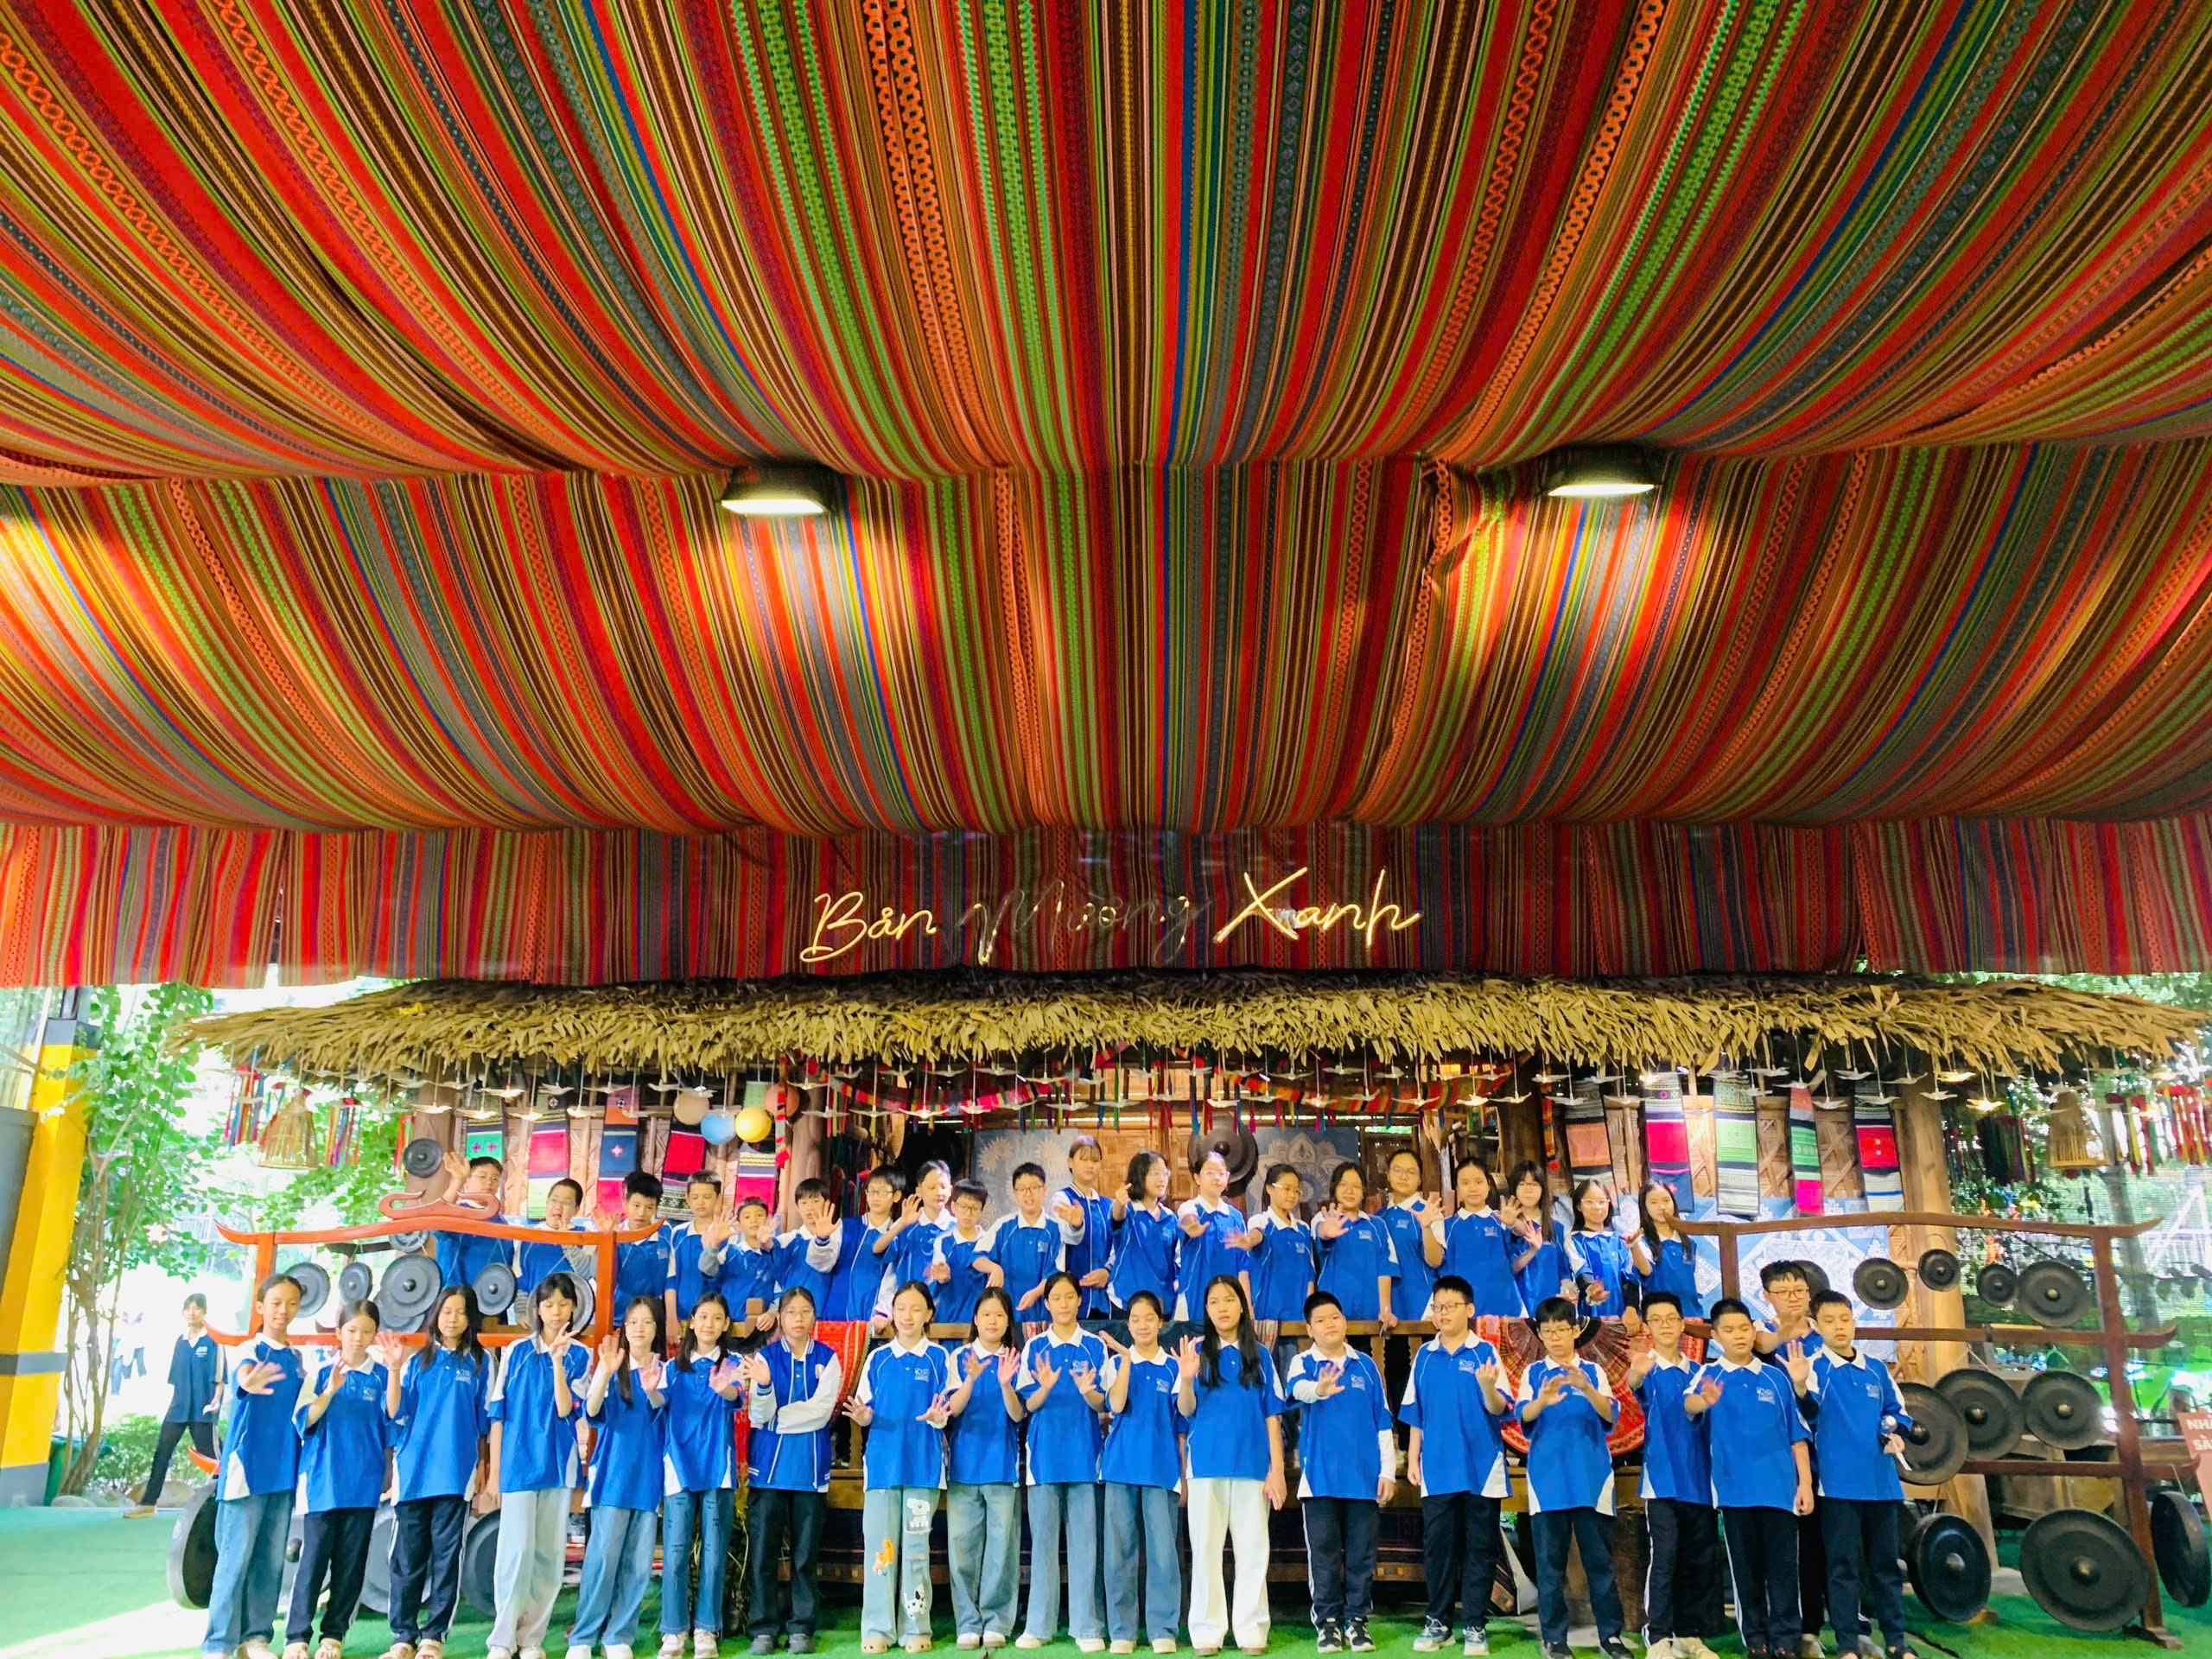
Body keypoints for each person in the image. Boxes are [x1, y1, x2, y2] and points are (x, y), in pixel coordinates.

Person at [1685, 1298, 1815, 1659]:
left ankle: (1787, 1641)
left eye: (1744, 1328)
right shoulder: (1708, 1374)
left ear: (1753, 1331)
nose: (1738, 1336)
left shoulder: (1776, 1378)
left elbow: (1797, 1436)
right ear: (1715, 1336)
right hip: (1733, 1493)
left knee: (1785, 1572)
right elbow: (1688, 1406)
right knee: (1747, 1573)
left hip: (1780, 1492)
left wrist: (1804, 1484)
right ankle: (1756, 1641)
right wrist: (1704, 1401)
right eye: (1729, 1330)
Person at [1797, 1290, 1920, 1659]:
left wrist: (1896, 1432)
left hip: (1883, 1486)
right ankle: (1847, 1644)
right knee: (1843, 1568)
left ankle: (1897, 1642)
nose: (1840, 1327)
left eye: (1846, 1319)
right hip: (1837, 1488)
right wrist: (1800, 1385)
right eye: (1830, 1320)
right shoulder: (1815, 1367)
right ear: (1814, 1326)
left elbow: (1899, 1412)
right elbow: (1808, 1411)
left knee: (1886, 1568)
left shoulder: (1877, 1369)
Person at [1400, 1274, 1511, 1656]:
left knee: (1480, 1548)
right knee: (1438, 1549)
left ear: (1470, 1309)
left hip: (1482, 1468)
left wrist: (1487, 1388)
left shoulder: (1487, 1354)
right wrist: (1413, 1457)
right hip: (1437, 1467)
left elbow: (1501, 1410)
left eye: (1451, 1306)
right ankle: (1439, 1622)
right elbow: (1415, 1413)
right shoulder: (1424, 1358)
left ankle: (1476, 1625)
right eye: (1438, 1306)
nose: (1443, 1313)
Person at [1174, 1275, 1287, 1657]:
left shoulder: (1262, 1356)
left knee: (1253, 1551)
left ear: (1242, 1305)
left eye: (1229, 1300)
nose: (1222, 1307)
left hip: (1253, 1465)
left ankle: (1252, 1630)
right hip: (1205, 1465)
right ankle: (1206, 1630)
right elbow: (1186, 1411)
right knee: (1204, 1550)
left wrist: (1277, 1470)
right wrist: (1187, 1379)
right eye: (1213, 1302)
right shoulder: (1195, 1353)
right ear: (1205, 1311)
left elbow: (1273, 1416)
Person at [381, 1284, 493, 1659]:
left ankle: (434, 1637)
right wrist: (394, 1369)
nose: (453, 1318)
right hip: (413, 1472)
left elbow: (484, 1423)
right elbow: (395, 1412)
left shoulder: (480, 1363)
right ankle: (402, 1636)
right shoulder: (416, 1361)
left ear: (471, 1318)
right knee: (408, 1560)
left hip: (455, 1472)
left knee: (447, 1558)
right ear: (435, 1314)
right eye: (447, 1310)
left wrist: (482, 1465)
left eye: (461, 1311)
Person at [200, 1271, 307, 1659]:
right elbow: (244, 1380)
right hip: (246, 1472)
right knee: (234, 1560)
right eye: (276, 1303)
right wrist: (248, 1383)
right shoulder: (248, 1350)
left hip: (284, 1471)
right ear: (260, 1307)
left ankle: (256, 1638)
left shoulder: (296, 1359)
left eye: (292, 1303)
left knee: (269, 1561)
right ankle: (219, 1645)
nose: (284, 1311)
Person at [1517, 1298, 1631, 1659]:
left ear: (1575, 1330)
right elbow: (1524, 1417)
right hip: (1546, 1483)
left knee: (1601, 1565)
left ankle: (1610, 1636)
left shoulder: (1593, 1372)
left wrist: (1586, 1388)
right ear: (1539, 1333)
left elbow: (1610, 1415)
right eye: (1547, 1331)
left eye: (1561, 1330)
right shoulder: (1533, 1373)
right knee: (1550, 1568)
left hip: (1592, 1481)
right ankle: (1554, 1638)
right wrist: (1542, 1401)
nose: (1554, 1337)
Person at [486, 1272, 589, 1659]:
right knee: (515, 1553)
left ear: (574, 1307)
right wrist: (494, 1474)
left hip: (558, 1467)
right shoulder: (514, 1351)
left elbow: (567, 1409)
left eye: (564, 1303)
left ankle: (531, 1639)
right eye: (548, 1304)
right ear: (538, 1309)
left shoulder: (581, 1355)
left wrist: (559, 1363)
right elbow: (498, 1414)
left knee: (548, 1556)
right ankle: (501, 1639)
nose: (556, 1311)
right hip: (517, 1465)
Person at [1286, 1291, 1394, 1654]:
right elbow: (1295, 1391)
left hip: (1364, 1480)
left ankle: (1357, 1621)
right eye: (1320, 1320)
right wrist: (1319, 1389)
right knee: (1324, 1555)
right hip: (1320, 1481)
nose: (1329, 1324)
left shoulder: (1365, 1365)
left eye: (1335, 1317)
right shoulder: (1303, 1362)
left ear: (1344, 1321)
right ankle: (1328, 1622)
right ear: (1309, 1328)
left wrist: (1388, 1472)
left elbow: (1383, 1422)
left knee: (1362, 1556)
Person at [850, 1281, 955, 1653]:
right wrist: (863, 1416)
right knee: (881, 1550)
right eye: (900, 1308)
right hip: (881, 1469)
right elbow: (863, 1411)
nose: (907, 1316)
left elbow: (948, 1411)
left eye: (915, 1309)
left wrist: (939, 1417)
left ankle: (917, 1629)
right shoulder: (877, 1359)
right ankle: (877, 1628)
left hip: (923, 1468)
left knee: (915, 1551)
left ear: (929, 1314)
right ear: (891, 1314)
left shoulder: (940, 1358)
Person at [288, 1299, 393, 1659]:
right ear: (338, 1333)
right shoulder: (318, 1373)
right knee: (313, 1561)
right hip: (323, 1484)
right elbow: (304, 1421)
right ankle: (296, 1637)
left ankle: (334, 1635)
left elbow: (391, 1429)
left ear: (375, 1335)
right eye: (351, 1331)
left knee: (350, 1565)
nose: (358, 1338)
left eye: (366, 1332)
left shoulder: (382, 1376)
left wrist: (388, 1474)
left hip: (364, 1485)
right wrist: (330, 1390)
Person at [744, 1287, 844, 1657]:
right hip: (767, 1472)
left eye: (805, 1312)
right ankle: (763, 1629)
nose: (798, 1318)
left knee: (805, 1556)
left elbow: (821, 1413)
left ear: (813, 1317)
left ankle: (802, 1626)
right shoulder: (765, 1358)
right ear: (781, 1318)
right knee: (764, 1554)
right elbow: (756, 1414)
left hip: (810, 1472)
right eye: (791, 1312)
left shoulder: (828, 1359)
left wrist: (775, 1419)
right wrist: (766, 1388)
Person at [566, 1297, 669, 1659]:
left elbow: (663, 1412)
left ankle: (618, 1636)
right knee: (601, 1561)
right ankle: (582, 1637)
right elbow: (592, 1411)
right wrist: (607, 1371)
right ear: (624, 1328)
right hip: (611, 1477)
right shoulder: (610, 1366)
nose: (639, 1328)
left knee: (639, 1565)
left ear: (657, 1330)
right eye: (633, 1322)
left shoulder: (664, 1369)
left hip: (647, 1479)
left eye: (648, 1322)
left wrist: (654, 1387)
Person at [1016, 1271, 1110, 1650]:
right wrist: (1045, 1387)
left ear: (1078, 1301)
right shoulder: (1034, 1346)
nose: (1064, 1303)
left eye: (1071, 1297)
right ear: (1048, 1303)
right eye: (1057, 1297)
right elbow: (1027, 1405)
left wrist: (1088, 1392)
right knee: (1043, 1545)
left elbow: (1102, 1403)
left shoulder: (1094, 1347)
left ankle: (1087, 1626)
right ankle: (1039, 1625)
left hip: (1085, 1457)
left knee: (1085, 1545)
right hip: (1044, 1458)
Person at [1624, 1292, 1720, 1659]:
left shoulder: (1701, 1373)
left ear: (1682, 1324)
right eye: (1657, 1320)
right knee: (1664, 1557)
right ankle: (1659, 1636)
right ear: (1647, 1327)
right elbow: (1633, 1383)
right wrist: (1636, 1372)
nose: (1665, 1325)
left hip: (1701, 1481)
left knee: (1697, 1558)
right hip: (1662, 1480)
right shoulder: (1647, 1367)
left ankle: (1688, 1633)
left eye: (1671, 1318)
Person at [660, 1291, 747, 1659]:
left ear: (726, 1324)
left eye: (717, 1318)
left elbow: (737, 1397)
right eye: (703, 1317)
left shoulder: (734, 1363)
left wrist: (722, 1387)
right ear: (691, 1322)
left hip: (718, 1468)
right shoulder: (669, 1368)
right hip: (678, 1467)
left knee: (714, 1553)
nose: (709, 1324)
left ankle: (707, 1630)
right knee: (676, 1553)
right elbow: (655, 1404)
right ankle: (673, 1632)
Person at [943, 1287, 1027, 1650]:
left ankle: (997, 1619)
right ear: (975, 1319)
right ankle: (967, 1621)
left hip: (1003, 1466)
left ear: (1008, 1321)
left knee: (1001, 1551)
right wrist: (972, 1379)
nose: (992, 1321)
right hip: (963, 1467)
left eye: (999, 1315)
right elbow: (952, 1410)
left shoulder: (1016, 1359)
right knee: (962, 1548)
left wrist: (1006, 1383)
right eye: (986, 1314)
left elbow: (1018, 1415)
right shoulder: (957, 1357)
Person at [1099, 1290, 1183, 1656]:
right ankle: (1123, 1629)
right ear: (1127, 1324)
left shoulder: (1174, 1367)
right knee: (1119, 1553)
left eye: (1149, 1317)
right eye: (1135, 1319)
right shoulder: (1117, 1362)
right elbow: (1115, 1405)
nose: (1142, 1325)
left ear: (1161, 1323)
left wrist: (1184, 1473)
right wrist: (1125, 1364)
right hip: (1120, 1467)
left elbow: (1182, 1425)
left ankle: (1163, 1627)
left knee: (1164, 1554)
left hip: (1162, 1469)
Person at [1754, 1261, 1824, 1659]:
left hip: (1828, 1456)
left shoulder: (1825, 1335)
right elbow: (1763, 1346)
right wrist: (1785, 1329)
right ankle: (1780, 1628)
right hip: (1783, 1460)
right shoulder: (1763, 1336)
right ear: (1767, 1296)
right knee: (1785, 1551)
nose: (1794, 1296)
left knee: (1824, 1545)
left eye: (1799, 1289)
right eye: (1783, 1291)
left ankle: (1820, 1627)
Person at [135, 1292, 221, 1514]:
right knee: (162, 1450)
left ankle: (226, 1499)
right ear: (183, 1312)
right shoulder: (180, 1342)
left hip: (202, 1409)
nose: (192, 1312)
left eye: (197, 1308)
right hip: (179, 1407)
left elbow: (221, 1377)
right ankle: (147, 1503)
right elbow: (175, 1377)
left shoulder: (213, 1341)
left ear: (205, 1312)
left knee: (213, 1456)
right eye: (188, 1308)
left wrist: (215, 1401)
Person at [1430, 1163, 1523, 1319]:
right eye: (1465, 1183)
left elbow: (1523, 1232)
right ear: (1458, 1190)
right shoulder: (1446, 1226)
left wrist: (1512, 1222)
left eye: (1479, 1182)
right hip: (1461, 1313)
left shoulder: (1501, 1218)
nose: (1473, 1188)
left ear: (1488, 1186)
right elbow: (1434, 1262)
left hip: (1506, 1308)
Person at [1314, 1161, 1398, 1326]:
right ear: (1334, 1188)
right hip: (1332, 1320)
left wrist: (1386, 1311)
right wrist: (1326, 1231)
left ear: (1363, 1191)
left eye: (1356, 1186)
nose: (1349, 1191)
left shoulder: (1378, 1225)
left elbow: (1385, 1270)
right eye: (1343, 1185)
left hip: (1371, 1320)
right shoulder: (1324, 1219)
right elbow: (1321, 1233)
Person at [983, 1164, 1067, 1319]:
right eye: (1022, 1189)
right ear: (1015, 1193)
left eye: (1034, 1187)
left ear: (1044, 1189)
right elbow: (977, 1257)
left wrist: (1036, 1293)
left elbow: (1055, 1274)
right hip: (1006, 1315)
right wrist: (995, 1269)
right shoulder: (1003, 1226)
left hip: (1044, 1314)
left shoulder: (1056, 1229)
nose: (1028, 1194)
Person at [1173, 1150, 1247, 1323]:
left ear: (1227, 1177)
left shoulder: (1235, 1216)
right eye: (1209, 1172)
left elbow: (1243, 1265)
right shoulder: (1191, 1208)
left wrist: (1246, 1306)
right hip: (1195, 1299)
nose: (1216, 1177)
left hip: (1228, 1302)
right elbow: (1187, 1217)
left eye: (1221, 1173)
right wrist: (1191, 1225)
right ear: (1197, 1178)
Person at [1241, 1165, 1314, 1334]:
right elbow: (1255, 1235)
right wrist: (1249, 1240)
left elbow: (1310, 1276)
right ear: (1269, 1189)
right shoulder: (1261, 1221)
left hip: (1297, 1319)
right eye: (1287, 1189)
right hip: (1265, 1321)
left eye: (1297, 1191)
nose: (1292, 1195)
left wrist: (1308, 1314)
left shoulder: (1303, 1230)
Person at [826, 1168, 904, 1322]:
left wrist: (883, 1313)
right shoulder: (845, 1227)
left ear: (896, 1196)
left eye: (882, 1191)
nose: (875, 1197)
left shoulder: (899, 1236)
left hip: (875, 1322)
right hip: (836, 1318)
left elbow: (893, 1281)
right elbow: (823, 1263)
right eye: (871, 1191)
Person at [1108, 1151, 1179, 1317]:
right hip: (1126, 1302)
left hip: (1161, 1305)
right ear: (1140, 1176)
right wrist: (1119, 1202)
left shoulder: (1170, 1218)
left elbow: (1177, 1263)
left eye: (1165, 1173)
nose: (1162, 1179)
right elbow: (1117, 1217)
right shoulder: (1129, 1210)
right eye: (1155, 1173)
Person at [1056, 1135, 1119, 1318]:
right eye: (1083, 1159)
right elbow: (1067, 1236)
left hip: (1105, 1298)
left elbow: (1118, 1246)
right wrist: (1076, 1225)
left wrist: (1107, 1271)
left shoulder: (1109, 1205)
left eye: (1094, 1160)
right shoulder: (1062, 1199)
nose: (1089, 1165)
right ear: (1070, 1162)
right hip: (1071, 1298)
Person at [1377, 1147, 1440, 1321]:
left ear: (1419, 1179)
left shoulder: (1430, 1211)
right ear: (1388, 1175)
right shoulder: (1378, 1218)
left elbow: (1435, 1261)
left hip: (1423, 1307)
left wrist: (1427, 1227)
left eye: (1411, 1172)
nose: (1403, 1176)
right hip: (1386, 1310)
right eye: (1397, 1170)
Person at [434, 1154, 512, 1294]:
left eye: (495, 1179)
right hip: (455, 1300)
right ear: (467, 1181)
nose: (489, 1182)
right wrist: (458, 1179)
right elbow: (436, 1221)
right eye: (482, 1176)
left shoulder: (502, 1223)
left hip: (492, 1302)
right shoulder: (455, 1213)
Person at [667, 1174, 734, 1333]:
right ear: (687, 1199)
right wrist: (671, 1318)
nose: (701, 1202)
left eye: (707, 1197)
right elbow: (671, 1279)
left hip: (714, 1321)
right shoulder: (677, 1233)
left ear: (718, 1198)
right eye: (695, 1197)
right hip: (682, 1317)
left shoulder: (729, 1235)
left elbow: (722, 1277)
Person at [1567, 1180, 1637, 1328]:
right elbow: (1580, 1270)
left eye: (1602, 1202)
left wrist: (1631, 1309)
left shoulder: (1620, 1240)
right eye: (1589, 1202)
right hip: (1590, 1319)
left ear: (1609, 1204)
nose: (1597, 1207)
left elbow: (1629, 1276)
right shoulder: (1574, 1240)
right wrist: (1590, 1289)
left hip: (1623, 1319)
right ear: (1578, 1206)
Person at [925, 1180, 995, 1329]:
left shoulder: (990, 1241)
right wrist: (941, 1276)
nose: (968, 1213)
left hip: (980, 1324)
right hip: (947, 1320)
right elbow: (936, 1276)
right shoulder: (942, 1242)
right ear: (954, 1207)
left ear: (982, 1210)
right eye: (963, 1206)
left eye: (974, 1208)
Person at [878, 1162, 953, 1297]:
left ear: (950, 1190)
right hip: (909, 1309)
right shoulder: (905, 1225)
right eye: (932, 1187)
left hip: (946, 1311)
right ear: (919, 1191)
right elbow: (880, 1254)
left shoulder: (957, 1228)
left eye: (943, 1187)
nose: (939, 1192)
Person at [1504, 1162, 1572, 1311]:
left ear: (1542, 1189)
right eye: (1522, 1184)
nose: (1528, 1189)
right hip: (1517, 1308)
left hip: (1551, 1309)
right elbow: (1508, 1268)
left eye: (1534, 1184)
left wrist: (1568, 1289)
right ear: (1514, 1188)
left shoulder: (1556, 1228)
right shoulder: (1506, 1227)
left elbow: (1563, 1269)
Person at [1629, 1182, 1700, 1315]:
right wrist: (1633, 1246)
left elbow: (1696, 1287)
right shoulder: (1642, 1243)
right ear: (1644, 1207)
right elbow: (1646, 1269)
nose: (1661, 1207)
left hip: (1691, 1315)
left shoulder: (1690, 1243)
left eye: (1666, 1200)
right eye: (1654, 1202)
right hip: (1659, 1318)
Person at [722, 1197, 788, 1332]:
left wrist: (772, 1313)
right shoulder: (730, 1254)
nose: (754, 1220)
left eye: (759, 1215)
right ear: (738, 1226)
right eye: (747, 1217)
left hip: (763, 1328)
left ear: (769, 1220)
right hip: (729, 1328)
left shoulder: (776, 1254)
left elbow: (782, 1288)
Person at [517, 1178, 589, 1300]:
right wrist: (522, 1312)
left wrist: (567, 1241)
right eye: (554, 1200)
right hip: (535, 1313)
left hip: (573, 1313)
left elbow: (586, 1274)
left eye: (566, 1202)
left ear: (576, 1209)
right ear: (547, 1202)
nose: (558, 1207)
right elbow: (521, 1280)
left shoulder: (586, 1236)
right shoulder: (529, 1236)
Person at [611, 1173, 675, 1308]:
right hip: (619, 1315)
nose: (641, 1213)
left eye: (649, 1207)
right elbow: (599, 1276)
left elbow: (672, 1277)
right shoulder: (614, 1235)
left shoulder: (666, 1233)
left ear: (657, 1208)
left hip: (655, 1316)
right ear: (625, 1203)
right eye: (636, 1205)